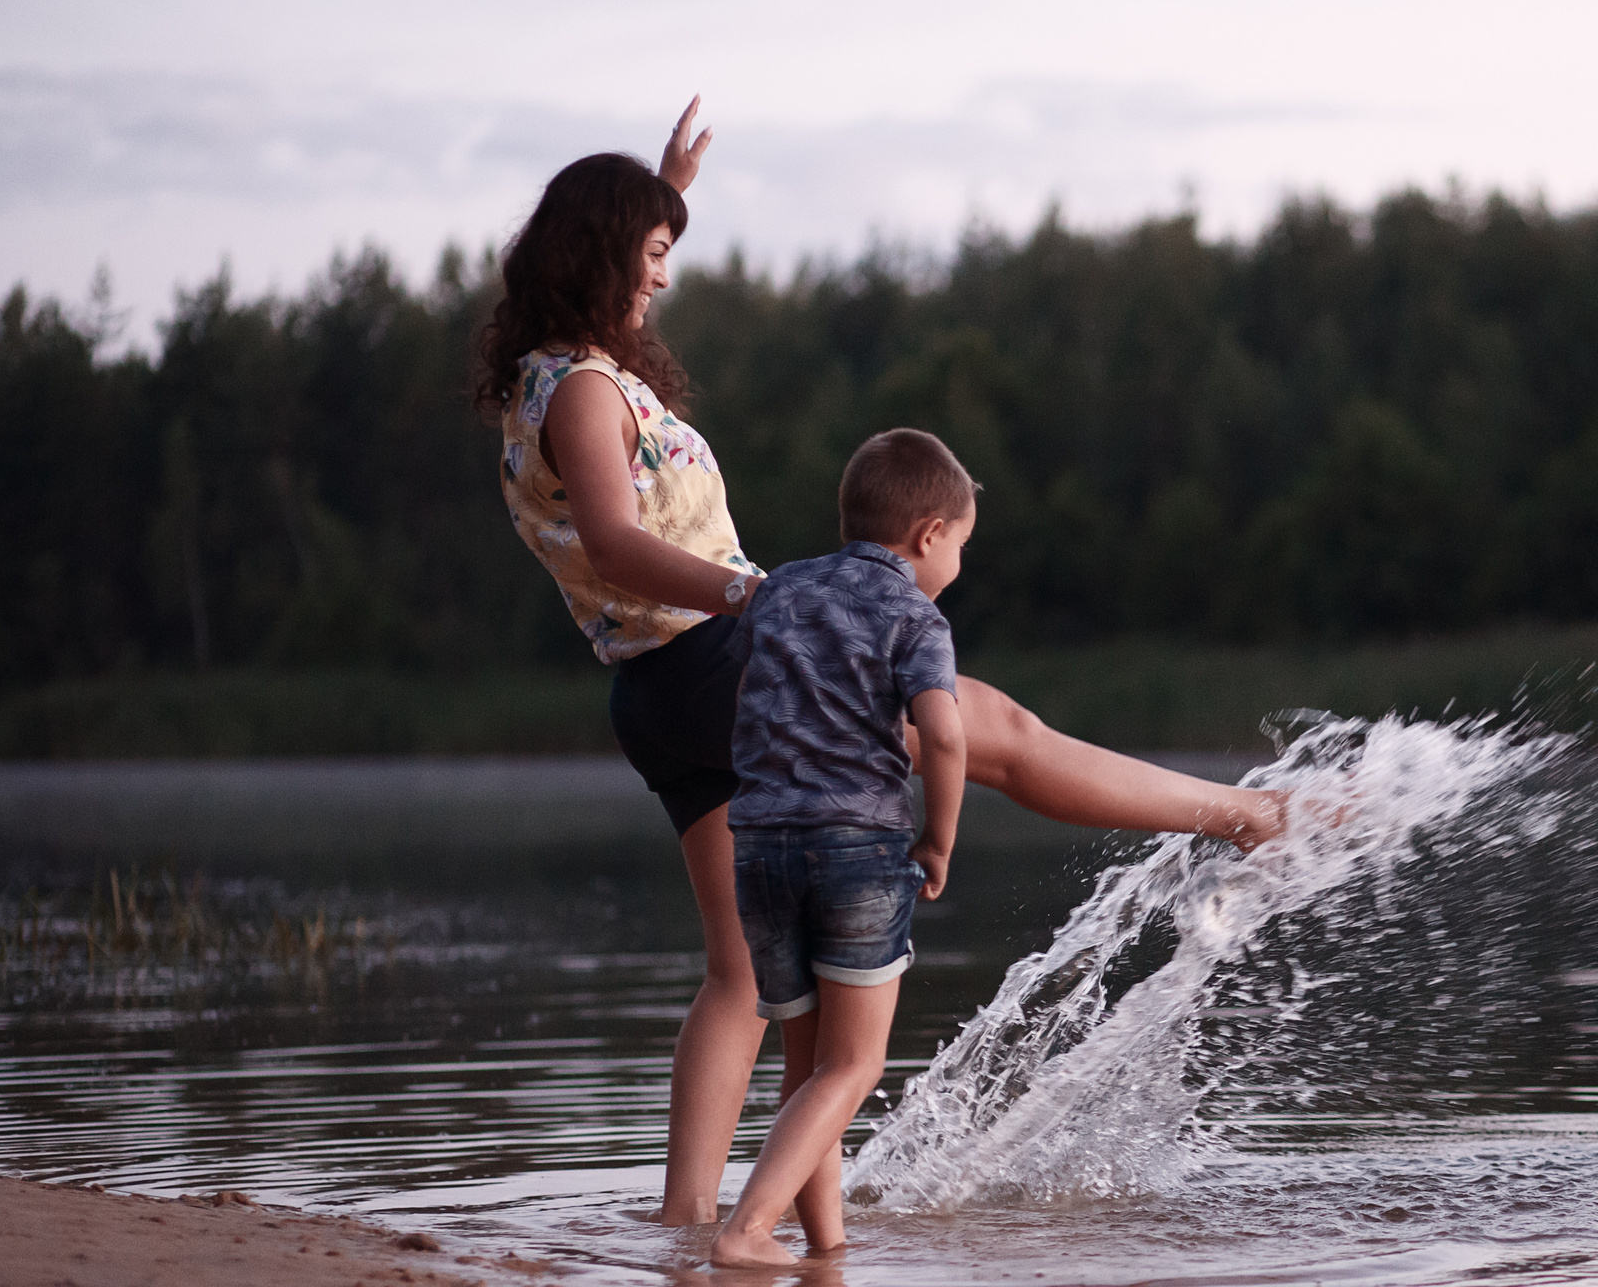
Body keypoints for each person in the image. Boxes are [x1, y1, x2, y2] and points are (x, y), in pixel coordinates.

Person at [476, 99, 1286, 1228]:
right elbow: (613, 541)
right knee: (996, 733)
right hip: (721, 654)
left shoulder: (544, 382)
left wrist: (665, 193)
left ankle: (687, 1225)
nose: (661, 277)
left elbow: (608, 516)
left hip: (660, 691)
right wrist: (750, 594)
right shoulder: (585, 392)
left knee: (741, 975)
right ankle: (1246, 815)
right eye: (650, 255)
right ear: (600, 253)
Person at [711, 428, 972, 1265]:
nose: (957, 565)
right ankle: (747, 1231)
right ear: (930, 534)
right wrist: (938, 839)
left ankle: (826, 1250)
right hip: (858, 848)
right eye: (960, 547)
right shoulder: (916, 614)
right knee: (855, 1066)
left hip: (759, 847)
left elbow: (751, 692)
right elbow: (945, 737)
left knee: (809, 1072)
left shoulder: (781, 589)